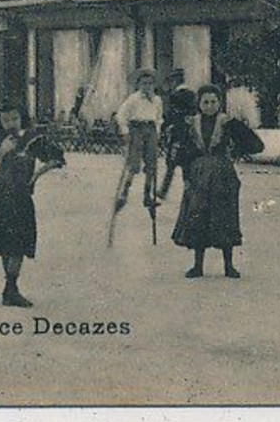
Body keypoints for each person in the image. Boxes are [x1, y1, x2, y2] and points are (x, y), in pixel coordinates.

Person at [0, 105, 65, 308]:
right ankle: (10, 289)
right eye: (5, 120)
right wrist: (1, 152)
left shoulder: (32, 140)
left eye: (14, 118)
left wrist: (35, 177)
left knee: (18, 247)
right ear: (0, 122)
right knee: (6, 246)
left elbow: (56, 158)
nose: (10, 123)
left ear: (22, 118)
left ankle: (11, 288)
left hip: (21, 198)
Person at [170, 84, 264, 279]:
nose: (210, 106)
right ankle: (198, 266)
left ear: (220, 103)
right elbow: (181, 155)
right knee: (198, 216)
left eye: (213, 102)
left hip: (223, 175)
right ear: (199, 104)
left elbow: (255, 144)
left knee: (225, 217)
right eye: (205, 102)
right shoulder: (190, 124)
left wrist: (236, 151)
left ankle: (229, 266)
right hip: (198, 176)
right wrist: (186, 177)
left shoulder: (229, 123)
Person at [112, 68, 163, 213]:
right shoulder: (133, 99)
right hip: (137, 130)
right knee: (134, 164)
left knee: (152, 164)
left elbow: (159, 118)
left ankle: (147, 195)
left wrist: (157, 133)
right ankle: (124, 193)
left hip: (151, 129)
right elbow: (121, 115)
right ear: (139, 84)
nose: (147, 86)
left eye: (150, 83)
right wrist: (126, 132)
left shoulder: (157, 100)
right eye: (144, 83)